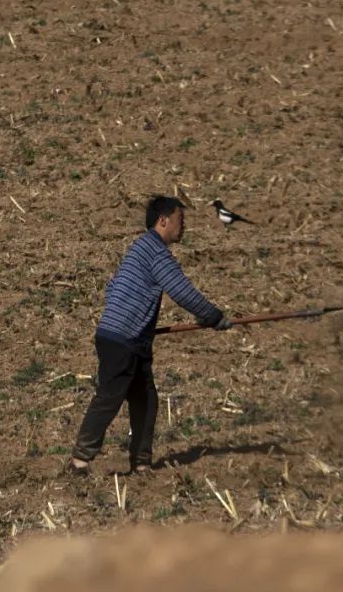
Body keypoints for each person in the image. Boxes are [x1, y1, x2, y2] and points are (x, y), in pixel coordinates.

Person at [69, 195, 231, 475]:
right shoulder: (155, 252)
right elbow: (182, 291)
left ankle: (141, 464)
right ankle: (79, 461)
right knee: (109, 398)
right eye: (181, 221)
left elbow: (113, 287)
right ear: (163, 220)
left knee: (146, 400)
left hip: (130, 339)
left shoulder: (139, 249)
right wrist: (214, 316)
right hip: (123, 339)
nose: (184, 228)